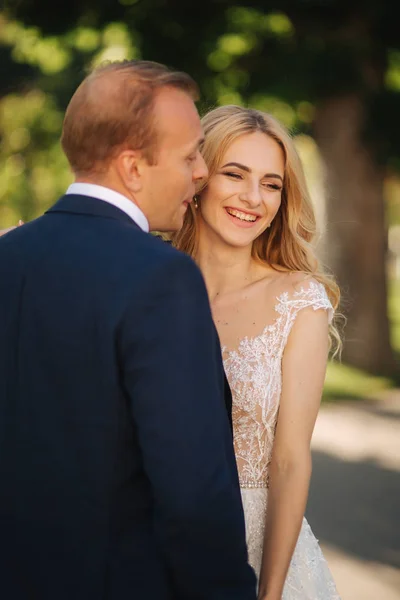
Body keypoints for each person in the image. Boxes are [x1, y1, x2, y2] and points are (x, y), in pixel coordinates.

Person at [0, 62, 257, 600]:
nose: (202, 172)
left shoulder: (8, 256)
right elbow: (192, 496)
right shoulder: (160, 277)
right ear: (133, 167)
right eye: (190, 155)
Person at [172, 105, 342, 600]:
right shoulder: (150, 282)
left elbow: (290, 462)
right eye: (235, 174)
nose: (253, 198)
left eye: (271, 183)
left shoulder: (298, 301)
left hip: (257, 548)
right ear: (198, 177)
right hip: (153, 543)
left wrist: (268, 593)